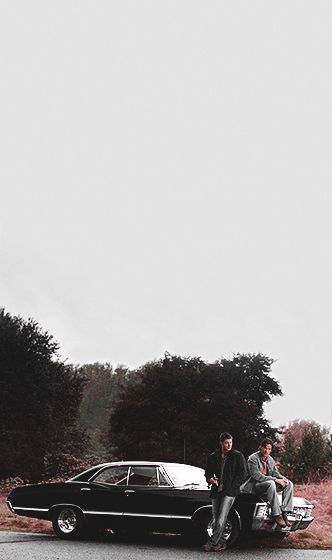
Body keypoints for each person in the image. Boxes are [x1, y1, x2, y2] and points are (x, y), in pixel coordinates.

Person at [203, 432, 247, 552]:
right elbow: (207, 472)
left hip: (230, 492)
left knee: (222, 517)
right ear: (221, 443)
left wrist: (233, 487)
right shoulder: (213, 456)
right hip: (216, 490)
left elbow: (243, 474)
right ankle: (222, 543)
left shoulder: (237, 456)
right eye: (226, 443)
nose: (229, 445)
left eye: (231, 442)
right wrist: (210, 479)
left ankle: (211, 542)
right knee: (216, 518)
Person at [241, 437, 293, 527]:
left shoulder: (271, 460)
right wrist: (276, 480)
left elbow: (275, 473)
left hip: (267, 486)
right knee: (271, 483)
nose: (266, 450)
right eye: (265, 448)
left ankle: (285, 512)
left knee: (289, 484)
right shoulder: (253, 458)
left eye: (269, 449)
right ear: (260, 447)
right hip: (254, 486)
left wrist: (284, 479)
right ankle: (276, 514)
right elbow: (257, 476)